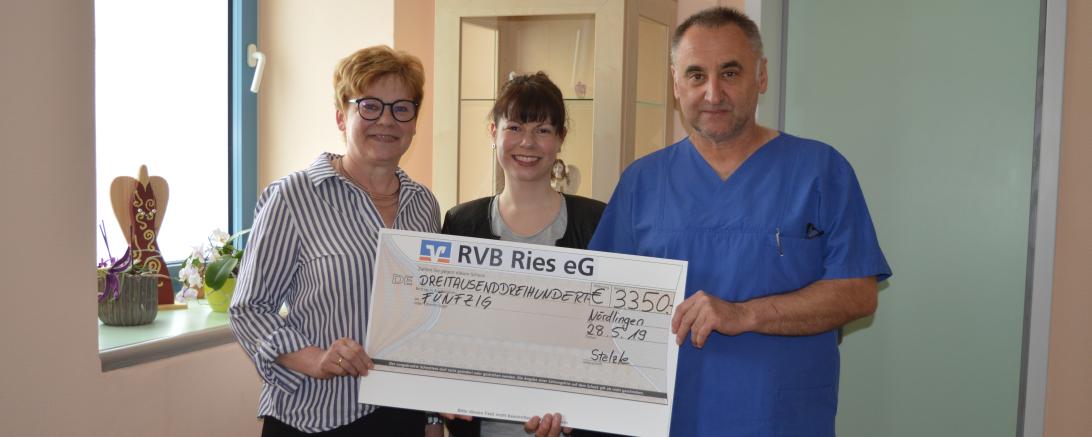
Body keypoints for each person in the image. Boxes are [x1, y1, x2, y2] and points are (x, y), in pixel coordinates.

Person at [588, 7, 892, 437]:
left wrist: (744, 314)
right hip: (669, 422)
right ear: (675, 83)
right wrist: (554, 397)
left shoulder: (821, 171)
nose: (713, 93)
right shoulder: (642, 182)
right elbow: (596, 308)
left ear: (761, 76)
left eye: (730, 73)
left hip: (782, 420)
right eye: (696, 75)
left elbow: (859, 294)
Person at [229, 45, 443, 437]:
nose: (386, 120)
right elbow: (249, 309)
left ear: (414, 122)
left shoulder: (424, 206)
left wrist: (431, 418)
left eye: (401, 108)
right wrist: (313, 358)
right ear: (342, 116)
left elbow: (427, 320)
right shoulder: (293, 197)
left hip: (402, 414)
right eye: (370, 106)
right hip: (316, 416)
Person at [440, 72, 615, 437]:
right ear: (493, 133)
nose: (527, 143)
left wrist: (582, 410)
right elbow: (442, 331)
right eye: (515, 127)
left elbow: (611, 335)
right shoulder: (461, 223)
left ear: (561, 138)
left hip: (569, 423)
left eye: (543, 130)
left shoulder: (597, 223)